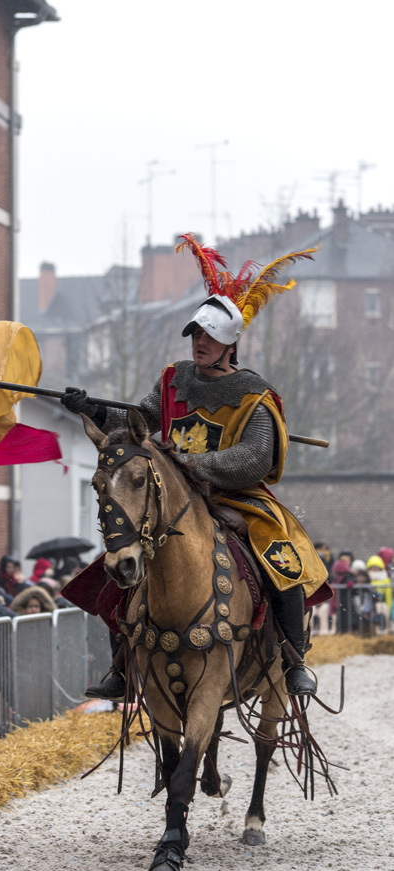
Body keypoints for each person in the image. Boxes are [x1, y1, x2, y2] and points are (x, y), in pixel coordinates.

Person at [61, 235, 330, 699]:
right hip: (171, 495)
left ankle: (292, 660)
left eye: (210, 337)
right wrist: (91, 410)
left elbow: (255, 457)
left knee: (283, 564)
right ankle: (124, 666)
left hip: (236, 495)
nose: (200, 343)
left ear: (230, 345)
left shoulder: (255, 396)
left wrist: (192, 463)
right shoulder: (173, 379)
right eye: (196, 335)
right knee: (123, 558)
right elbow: (138, 420)